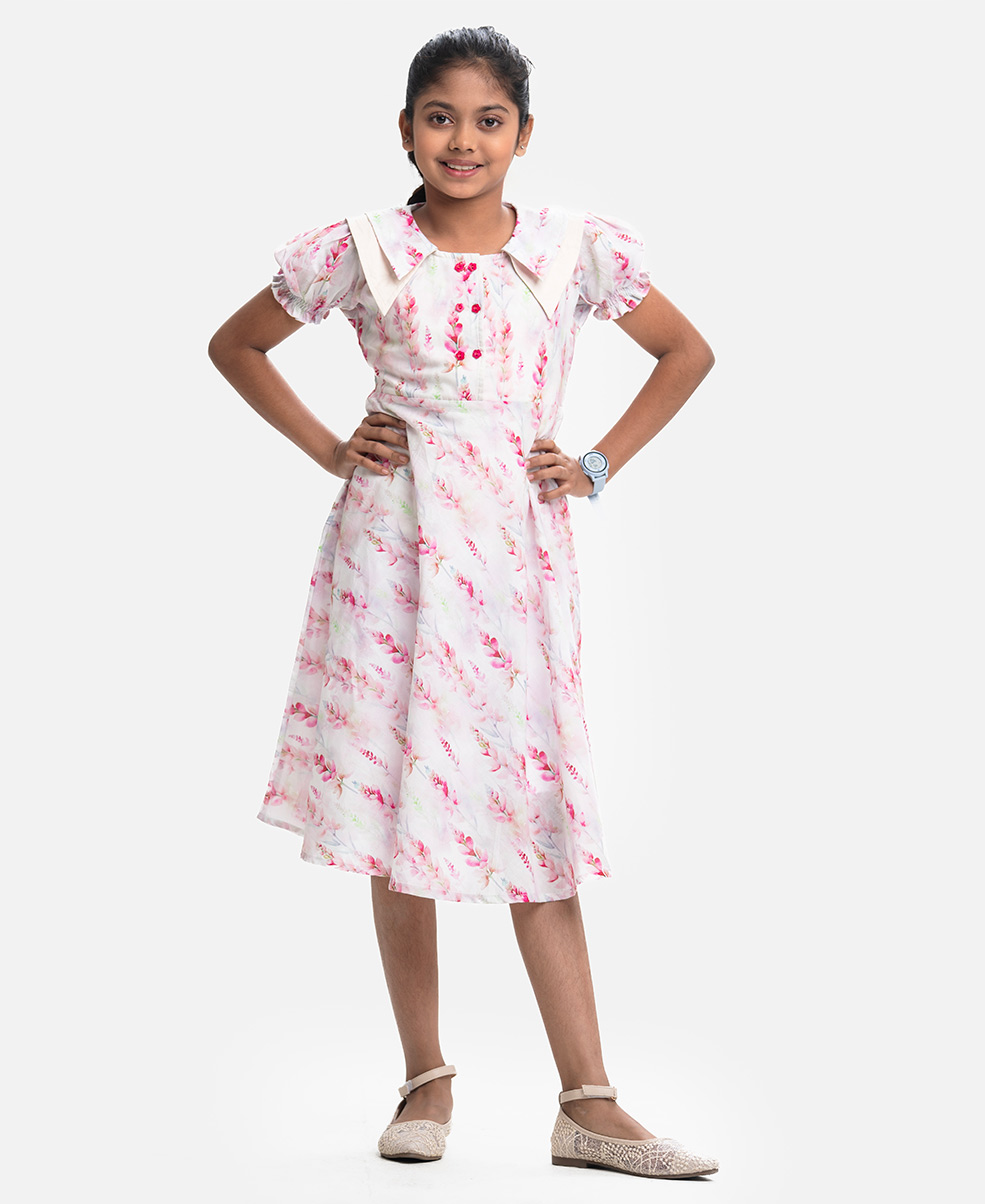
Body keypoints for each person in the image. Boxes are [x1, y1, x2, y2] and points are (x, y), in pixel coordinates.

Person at [208, 25, 717, 1179]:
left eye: (489, 120)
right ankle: (425, 1075)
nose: (463, 141)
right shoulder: (365, 250)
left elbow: (684, 351)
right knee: (400, 795)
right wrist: (330, 447)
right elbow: (237, 344)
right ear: (405, 130)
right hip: (392, 546)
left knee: (535, 801)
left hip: (516, 556)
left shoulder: (570, 250)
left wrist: (594, 463)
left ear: (523, 135)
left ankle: (588, 1101)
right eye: (439, 117)